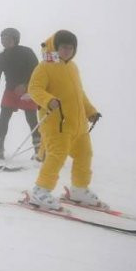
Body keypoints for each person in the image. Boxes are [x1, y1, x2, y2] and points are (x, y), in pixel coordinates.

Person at [27, 30, 104, 210]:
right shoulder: (45, 66)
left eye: (71, 48)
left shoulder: (73, 67)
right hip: (56, 124)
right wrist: (48, 100)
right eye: (63, 47)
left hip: (78, 125)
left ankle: (79, 189)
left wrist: (90, 111)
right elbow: (34, 89)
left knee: (85, 155)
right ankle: (40, 191)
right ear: (56, 47)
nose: (67, 51)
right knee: (57, 156)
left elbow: (79, 95)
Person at [0, 28, 41, 160]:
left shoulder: (26, 52)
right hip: (10, 90)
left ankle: (39, 149)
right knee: (3, 118)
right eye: (2, 38)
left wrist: (26, 85)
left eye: (7, 38)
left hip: (28, 91)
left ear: (15, 39)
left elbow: (38, 72)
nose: (4, 40)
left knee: (31, 119)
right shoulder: (1, 57)